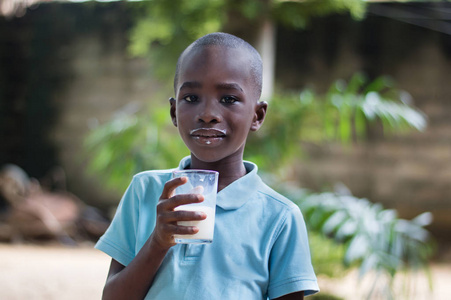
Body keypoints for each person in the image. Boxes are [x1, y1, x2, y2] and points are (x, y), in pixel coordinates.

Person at [95, 32, 319, 299]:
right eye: (191, 98)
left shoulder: (279, 217)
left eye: (228, 99)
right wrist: (157, 243)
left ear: (257, 115)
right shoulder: (145, 191)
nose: (208, 114)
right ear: (174, 112)